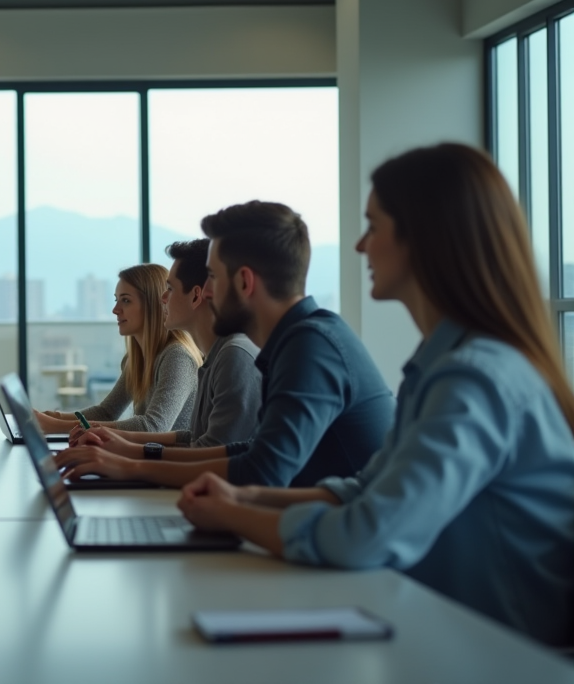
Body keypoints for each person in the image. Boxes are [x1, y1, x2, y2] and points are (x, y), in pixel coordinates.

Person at [178, 144, 574, 646]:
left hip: (500, 655)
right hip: (441, 632)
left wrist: (231, 515)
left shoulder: (474, 379)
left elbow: (365, 534)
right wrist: (246, 496)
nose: (360, 246)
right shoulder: (439, 365)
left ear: (424, 240)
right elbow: (364, 489)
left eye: (373, 226)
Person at [56, 202, 394, 488]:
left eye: (213, 278)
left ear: (244, 282)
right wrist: (130, 451)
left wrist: (131, 464)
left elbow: (260, 471)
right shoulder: (294, 341)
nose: (208, 293)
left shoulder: (309, 347)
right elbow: (248, 450)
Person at [69, 239, 261, 455]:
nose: (163, 298)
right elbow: (194, 437)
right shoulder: (216, 356)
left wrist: (128, 461)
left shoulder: (231, 356)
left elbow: (210, 456)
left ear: (197, 295)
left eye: (170, 288)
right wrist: (115, 437)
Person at [33, 263, 201, 435]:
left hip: (169, 461)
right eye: (116, 300)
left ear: (153, 305)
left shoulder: (177, 357)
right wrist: (54, 417)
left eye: (126, 300)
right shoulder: (136, 360)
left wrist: (55, 426)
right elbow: (106, 412)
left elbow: (153, 427)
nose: (115, 310)